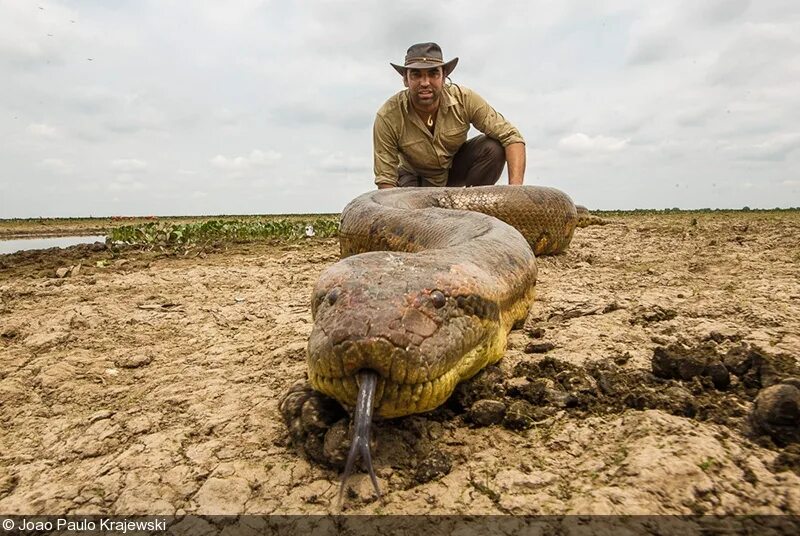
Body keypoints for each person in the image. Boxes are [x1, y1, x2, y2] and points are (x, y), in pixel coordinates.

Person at [373, 42, 526, 189]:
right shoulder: (387, 116)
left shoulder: (465, 99)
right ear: (406, 80)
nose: (425, 82)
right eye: (416, 75)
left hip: (453, 170)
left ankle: (475, 209)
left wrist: (516, 191)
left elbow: (512, 137)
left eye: (433, 74)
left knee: (493, 148)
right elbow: (385, 180)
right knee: (408, 207)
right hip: (414, 178)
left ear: (444, 77)